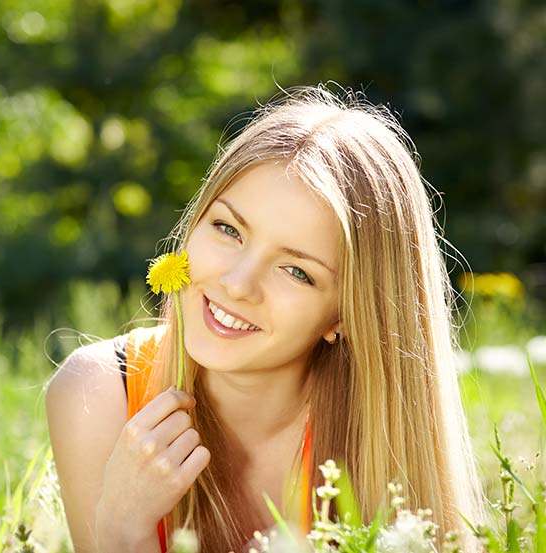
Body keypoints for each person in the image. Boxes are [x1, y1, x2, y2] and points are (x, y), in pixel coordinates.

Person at [45, 85, 486, 553]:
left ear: (350, 313)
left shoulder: (381, 436)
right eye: (227, 229)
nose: (238, 284)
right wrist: (122, 529)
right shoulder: (99, 395)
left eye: (296, 271)